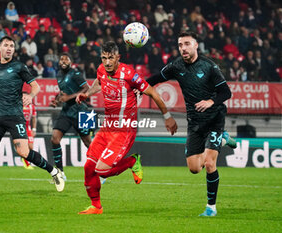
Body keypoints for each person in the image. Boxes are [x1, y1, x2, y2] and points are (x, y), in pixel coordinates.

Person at [75, 41, 177, 214]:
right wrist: (87, 93)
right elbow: (99, 83)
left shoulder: (129, 74)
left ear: (118, 58)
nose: (107, 62)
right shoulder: (101, 69)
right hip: (108, 126)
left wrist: (167, 116)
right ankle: (96, 207)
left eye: (111, 58)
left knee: (102, 170)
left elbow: (152, 92)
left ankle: (132, 161)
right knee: (89, 167)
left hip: (124, 129)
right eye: (104, 58)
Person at [146, 31, 237, 217]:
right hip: (195, 122)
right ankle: (223, 140)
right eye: (180, 45)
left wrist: (211, 102)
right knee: (195, 168)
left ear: (196, 45)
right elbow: (155, 79)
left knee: (210, 163)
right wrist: (137, 87)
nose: (183, 48)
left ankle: (211, 207)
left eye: (187, 44)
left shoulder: (210, 66)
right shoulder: (176, 66)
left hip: (214, 119)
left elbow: (226, 93)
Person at [0, 36, 64, 198]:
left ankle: (53, 171)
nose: (9, 48)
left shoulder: (19, 66)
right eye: (6, 45)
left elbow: (36, 86)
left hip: (15, 116)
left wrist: (30, 96)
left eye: (11, 46)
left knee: (23, 151)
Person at [50, 52, 91, 181]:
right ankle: (60, 173)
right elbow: (62, 92)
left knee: (88, 143)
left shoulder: (75, 73)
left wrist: (69, 97)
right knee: (54, 139)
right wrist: (57, 100)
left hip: (82, 111)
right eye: (61, 59)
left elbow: (86, 88)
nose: (63, 61)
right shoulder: (58, 75)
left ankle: (102, 170)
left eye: (66, 59)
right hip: (66, 111)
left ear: (71, 62)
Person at [21, 92, 37, 169]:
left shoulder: (31, 106)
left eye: (25, 97)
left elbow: (34, 118)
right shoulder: (18, 106)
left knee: (30, 146)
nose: (24, 98)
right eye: (23, 97)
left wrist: (34, 129)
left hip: (28, 128)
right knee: (23, 145)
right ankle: (26, 164)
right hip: (20, 127)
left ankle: (26, 160)